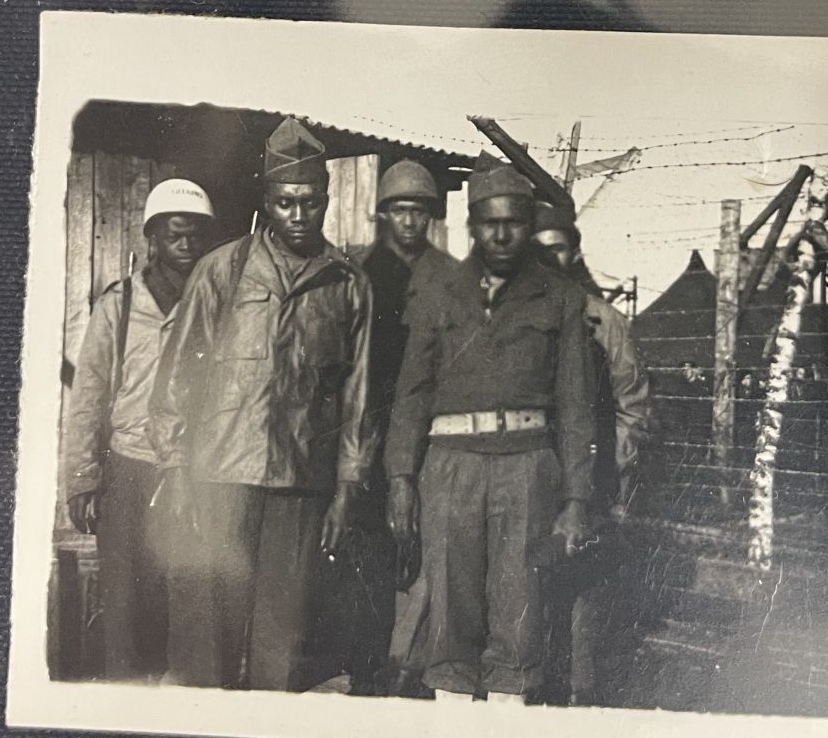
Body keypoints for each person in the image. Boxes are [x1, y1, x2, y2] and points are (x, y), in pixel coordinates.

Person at [149, 118, 375, 691]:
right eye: (284, 203)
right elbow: (176, 378)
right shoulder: (221, 271)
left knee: (285, 639)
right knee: (213, 636)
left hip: (302, 485)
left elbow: (359, 397)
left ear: (326, 200)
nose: (298, 216)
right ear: (266, 201)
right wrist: (176, 470)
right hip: (222, 480)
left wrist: (348, 487)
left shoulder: (348, 285)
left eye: (310, 203)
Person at [385, 161, 597, 704]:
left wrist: (575, 498)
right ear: (471, 225)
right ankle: (453, 737)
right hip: (451, 467)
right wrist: (401, 478)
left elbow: (576, 405)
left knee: (518, 617)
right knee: (449, 616)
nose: (501, 234)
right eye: (488, 222)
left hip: (526, 467)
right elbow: (411, 391)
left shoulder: (559, 297)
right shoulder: (436, 291)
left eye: (514, 221)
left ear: (528, 224)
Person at [60, 178, 215, 681]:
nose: (187, 247)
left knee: (187, 601)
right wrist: (83, 480)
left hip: (193, 474)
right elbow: (89, 396)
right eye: (175, 236)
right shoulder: (120, 305)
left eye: (195, 236)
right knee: (123, 605)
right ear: (152, 239)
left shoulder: (218, 304)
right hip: (128, 469)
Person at [341, 160, 462, 696]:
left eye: (419, 211)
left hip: (430, 434)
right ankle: (366, 667)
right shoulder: (360, 272)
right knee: (367, 552)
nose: (409, 222)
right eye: (399, 211)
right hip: (367, 430)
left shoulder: (453, 278)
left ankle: (418, 668)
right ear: (383, 214)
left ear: (431, 217)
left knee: (426, 550)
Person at [530, 198, 651, 706]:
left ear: (574, 253)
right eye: (538, 251)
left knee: (583, 604)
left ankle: (581, 705)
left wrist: (614, 480)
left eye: (558, 250)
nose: (548, 260)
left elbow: (632, 408)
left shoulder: (605, 323)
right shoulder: (519, 321)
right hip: (534, 478)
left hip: (593, 480)